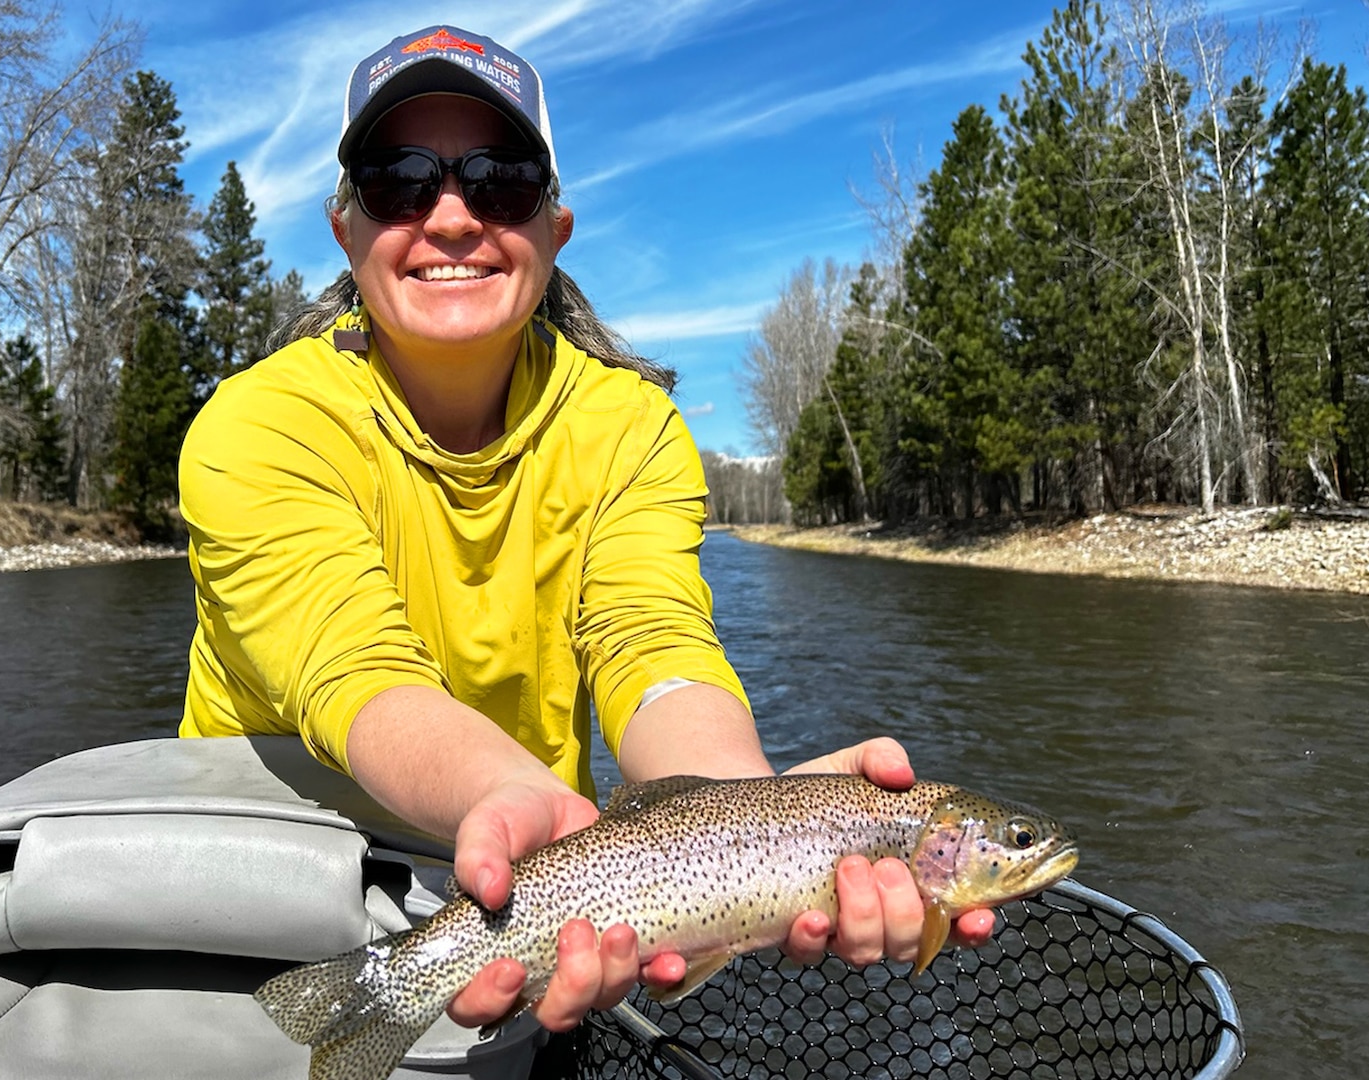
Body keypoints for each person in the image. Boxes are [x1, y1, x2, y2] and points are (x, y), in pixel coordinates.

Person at [178, 24, 992, 1036]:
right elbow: (355, 673)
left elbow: (650, 644)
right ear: (344, 230)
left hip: (540, 896)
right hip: (245, 889)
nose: (450, 217)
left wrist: (752, 820)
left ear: (553, 227)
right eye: (397, 181)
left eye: (499, 179)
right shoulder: (255, 427)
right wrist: (505, 798)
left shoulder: (630, 426)